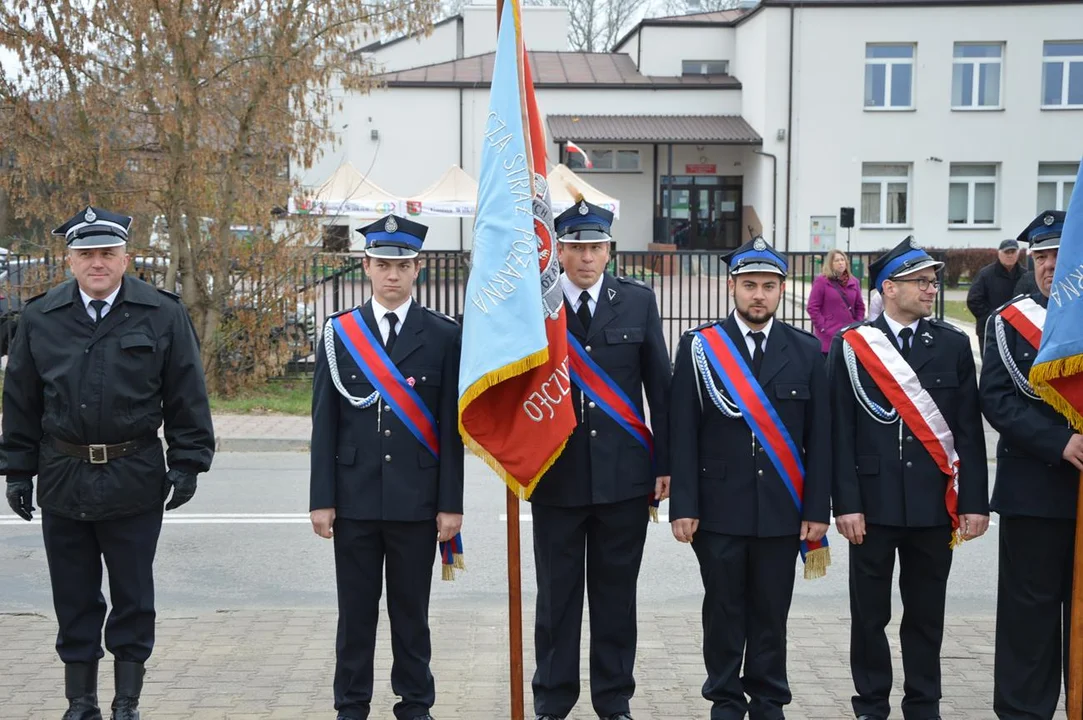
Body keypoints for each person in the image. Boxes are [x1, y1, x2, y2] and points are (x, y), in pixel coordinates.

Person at [2, 206, 215, 720]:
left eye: (107, 253)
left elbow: (186, 392)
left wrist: (187, 461)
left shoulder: (161, 313)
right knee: (73, 595)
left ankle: (126, 701)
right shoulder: (40, 316)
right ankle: (81, 702)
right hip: (63, 474)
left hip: (134, 474)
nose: (97, 263)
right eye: (87, 254)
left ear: (126, 258)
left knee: (132, 595)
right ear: (70, 260)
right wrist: (16, 469)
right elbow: (21, 399)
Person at [669, 236, 832, 720]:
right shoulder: (700, 347)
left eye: (768, 286)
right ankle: (723, 698)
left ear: (782, 290)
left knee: (770, 613)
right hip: (718, 508)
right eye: (749, 285)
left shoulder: (804, 350)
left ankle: (768, 700)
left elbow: (819, 439)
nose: (758, 295)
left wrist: (816, 510)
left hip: (782, 509)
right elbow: (683, 431)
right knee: (722, 611)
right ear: (732, 287)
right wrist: (683, 505)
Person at [309, 214, 464, 720]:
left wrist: (450, 505)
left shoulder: (443, 335)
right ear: (366, 267)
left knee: (410, 614)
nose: (391, 275)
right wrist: (321, 498)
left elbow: (449, 429)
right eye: (382, 265)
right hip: (353, 499)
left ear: (417, 268)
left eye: (401, 265)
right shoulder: (340, 333)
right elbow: (324, 424)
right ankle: (351, 704)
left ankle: (414, 702)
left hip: (416, 502)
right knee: (355, 613)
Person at [828, 236, 989, 720]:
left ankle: (924, 703)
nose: (931, 288)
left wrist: (974, 501)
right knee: (870, 616)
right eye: (921, 281)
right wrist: (846, 503)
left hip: (931, 504)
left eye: (933, 280)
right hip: (871, 506)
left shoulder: (953, 344)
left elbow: (968, 431)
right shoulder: (853, 347)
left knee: (926, 615)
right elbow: (839, 431)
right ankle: (871, 704)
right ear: (888, 288)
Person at [529, 199, 671, 720]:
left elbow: (660, 385)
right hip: (555, 477)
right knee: (556, 600)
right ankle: (553, 700)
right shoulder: (536, 306)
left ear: (609, 251)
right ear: (559, 251)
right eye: (576, 247)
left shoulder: (637, 302)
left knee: (615, 601)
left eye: (596, 247)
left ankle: (614, 701)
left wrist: (665, 463)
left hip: (623, 481)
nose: (586, 257)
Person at [979, 210, 1083, 719]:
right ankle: (1025, 711)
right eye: (1041, 256)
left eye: (1059, 256)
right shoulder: (1009, 321)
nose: (1048, 266)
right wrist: (1059, 442)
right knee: (1029, 616)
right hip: (1034, 489)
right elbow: (997, 401)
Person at [965, 238, 1024, 355]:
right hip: (990, 331)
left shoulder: (1025, 275)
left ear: (1018, 254)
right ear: (999, 253)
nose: (1010, 255)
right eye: (1006, 252)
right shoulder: (986, 274)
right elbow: (974, 300)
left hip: (1019, 331)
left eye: (1013, 252)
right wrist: (993, 317)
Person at [807, 248, 866, 355]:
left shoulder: (854, 282)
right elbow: (812, 307)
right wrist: (823, 327)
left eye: (842, 260)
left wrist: (857, 324)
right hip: (829, 336)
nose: (840, 263)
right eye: (836, 260)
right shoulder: (822, 281)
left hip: (850, 334)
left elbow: (860, 306)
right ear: (830, 264)